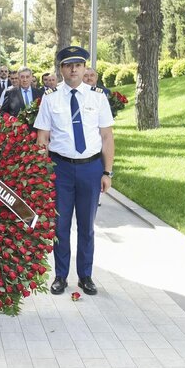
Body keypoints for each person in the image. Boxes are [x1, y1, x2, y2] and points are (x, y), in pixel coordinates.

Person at [34, 46, 114, 297]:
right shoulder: (51, 97)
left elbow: (106, 137)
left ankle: (86, 276)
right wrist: (42, 173)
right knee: (60, 225)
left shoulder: (98, 96)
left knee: (87, 226)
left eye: (77, 65)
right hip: (61, 169)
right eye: (68, 65)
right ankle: (60, 276)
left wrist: (107, 173)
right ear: (61, 69)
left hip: (91, 168)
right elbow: (42, 137)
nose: (73, 69)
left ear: (84, 68)